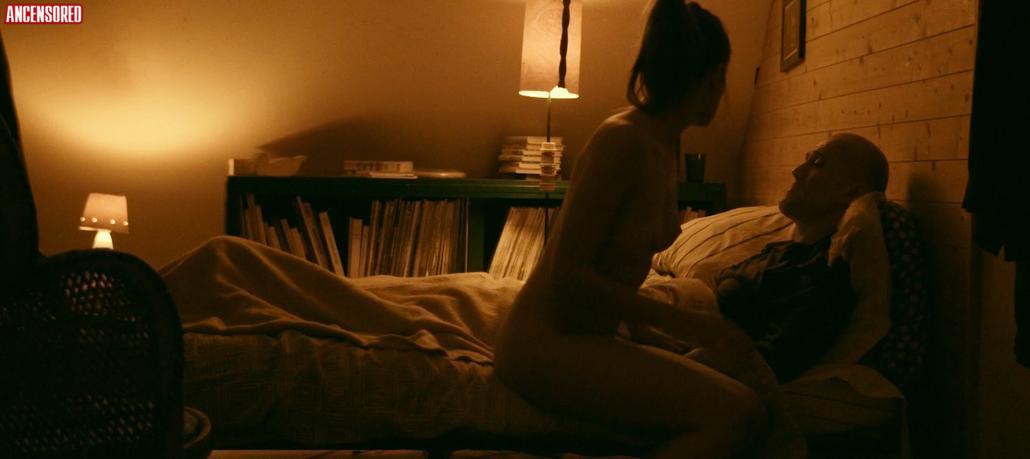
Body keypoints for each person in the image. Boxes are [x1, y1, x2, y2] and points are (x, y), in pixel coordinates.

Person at [493, 1, 768, 457]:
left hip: (592, 334)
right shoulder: (621, 140)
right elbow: (567, 274)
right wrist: (687, 323)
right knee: (739, 413)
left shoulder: (666, 142)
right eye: (722, 79)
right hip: (544, 342)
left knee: (739, 389)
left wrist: (651, 336)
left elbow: (619, 267)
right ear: (713, 77)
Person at [715, 132, 890, 382]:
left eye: (817, 163)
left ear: (850, 192)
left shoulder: (819, 277)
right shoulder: (784, 252)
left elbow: (767, 364)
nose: (796, 171)